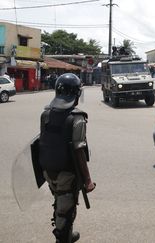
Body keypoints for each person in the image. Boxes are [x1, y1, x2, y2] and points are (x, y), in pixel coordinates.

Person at [38, 73, 96, 242]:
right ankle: (63, 237)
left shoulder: (46, 114)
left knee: (61, 203)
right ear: (77, 94)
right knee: (67, 211)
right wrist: (88, 181)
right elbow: (79, 151)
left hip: (49, 172)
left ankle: (67, 234)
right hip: (67, 175)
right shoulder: (77, 119)